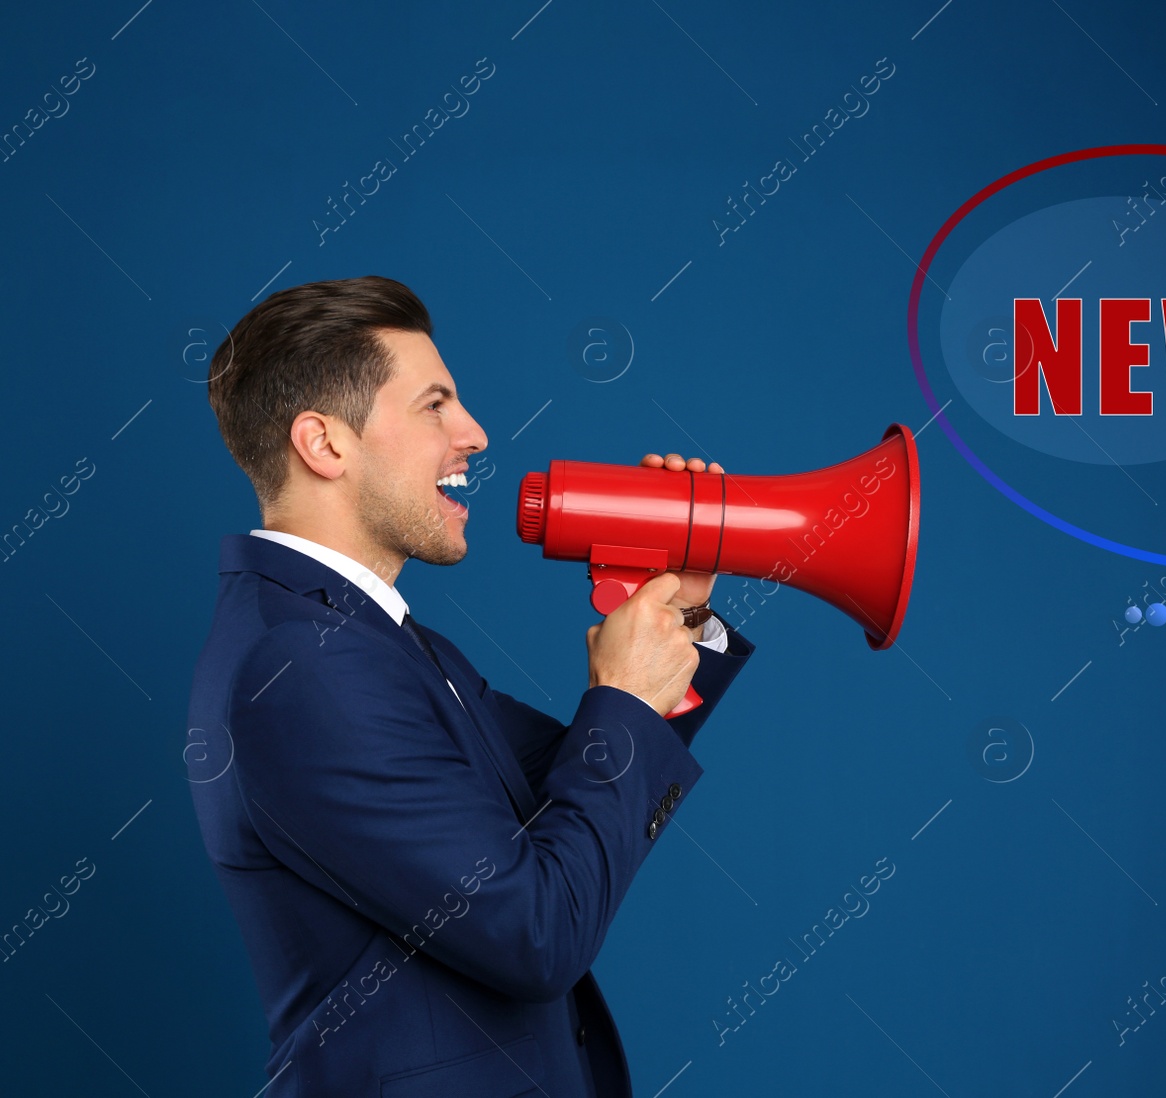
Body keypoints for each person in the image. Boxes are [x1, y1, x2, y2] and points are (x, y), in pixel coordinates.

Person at [186, 275, 752, 1097]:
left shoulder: (372, 641)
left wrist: (680, 616)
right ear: (325, 444)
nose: (476, 434)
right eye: (434, 406)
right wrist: (625, 698)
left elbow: (569, 789)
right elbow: (536, 931)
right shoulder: (305, 667)